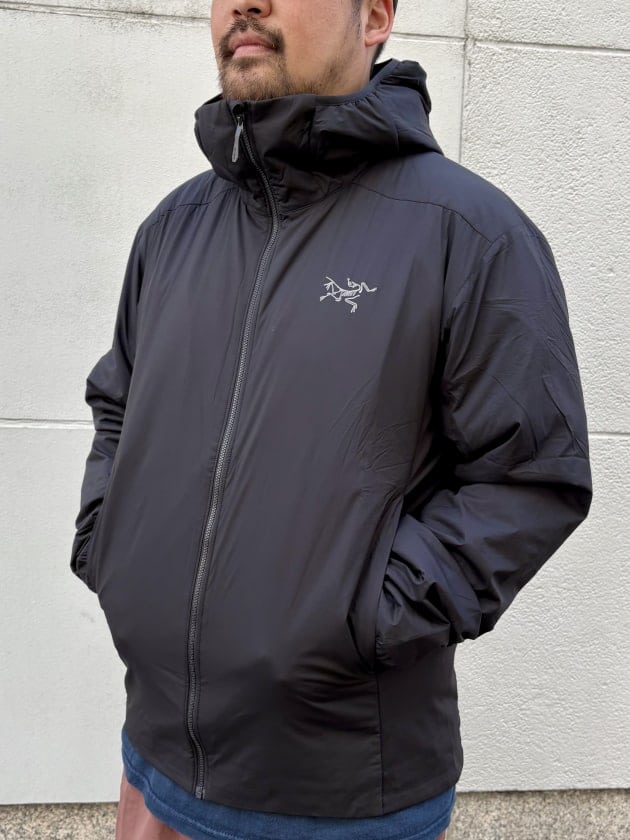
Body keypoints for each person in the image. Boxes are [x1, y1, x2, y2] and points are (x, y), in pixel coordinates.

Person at [70, 1, 592, 838]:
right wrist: (109, 546)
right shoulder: (173, 228)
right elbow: (118, 406)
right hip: (157, 759)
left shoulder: (469, 233)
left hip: (340, 799)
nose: (245, 4)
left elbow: (528, 479)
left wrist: (362, 617)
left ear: (375, 16)